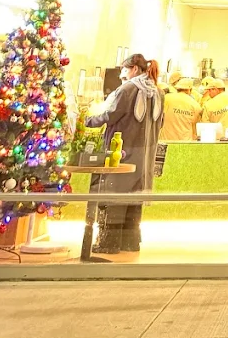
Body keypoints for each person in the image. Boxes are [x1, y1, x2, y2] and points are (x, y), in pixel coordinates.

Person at [86, 53, 163, 255]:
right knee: (134, 198)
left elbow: (110, 115)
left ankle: (108, 243)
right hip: (144, 154)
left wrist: (88, 121)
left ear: (134, 69)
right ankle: (130, 242)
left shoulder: (127, 89)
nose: (121, 73)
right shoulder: (157, 92)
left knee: (113, 196)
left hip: (121, 152)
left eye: (124, 69)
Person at [160, 76, 202, 142]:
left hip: (166, 140)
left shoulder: (166, 98)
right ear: (190, 90)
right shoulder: (195, 104)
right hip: (184, 142)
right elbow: (196, 126)